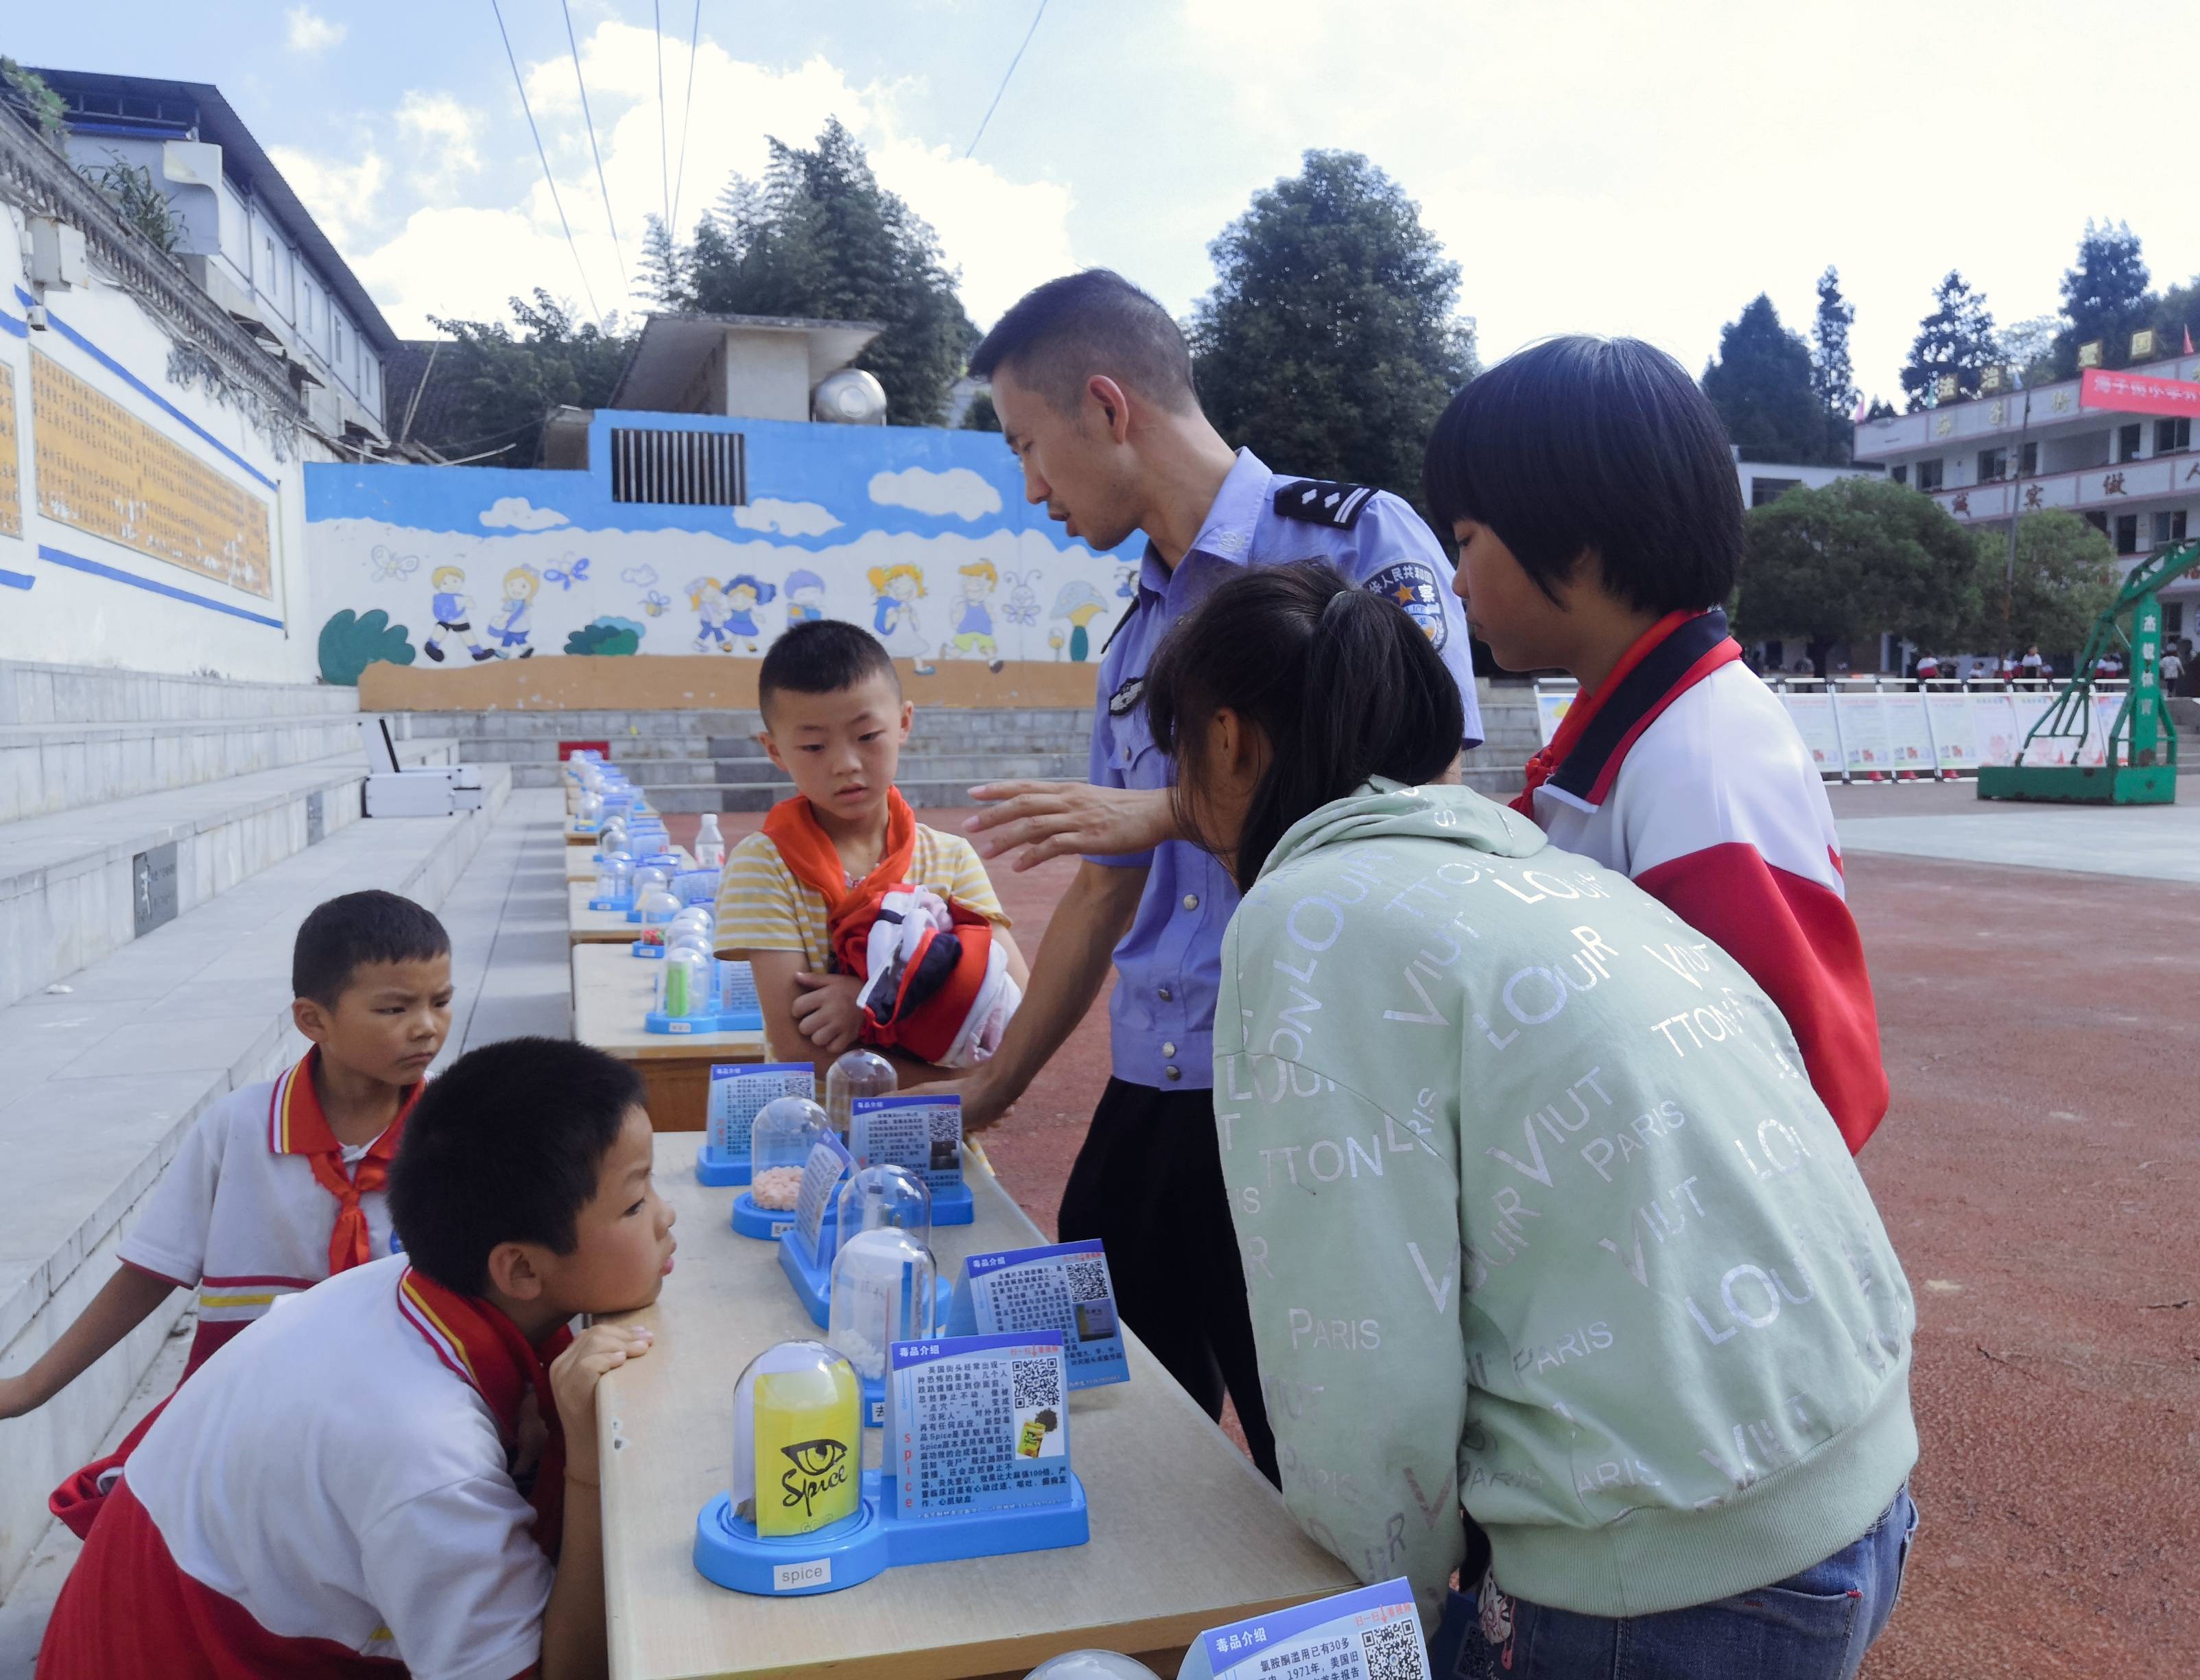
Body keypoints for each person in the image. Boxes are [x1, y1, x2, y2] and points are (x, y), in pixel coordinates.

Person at [1152, 560, 1918, 1676]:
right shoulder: (1554, 879)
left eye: (1173, 752)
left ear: (1228, 740)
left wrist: (1376, 1634)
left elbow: (1358, 1346)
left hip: (1670, 1568)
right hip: (1851, 1482)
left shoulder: (1308, 914)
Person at [946, 270, 1483, 1481]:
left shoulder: (1354, 542)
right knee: (1116, 1430)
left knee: (1326, 1459)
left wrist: (1169, 807)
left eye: (1030, 446)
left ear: (1106, 405)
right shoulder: (1134, 635)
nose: (1031, 487)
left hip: (1307, 1081)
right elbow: (1101, 888)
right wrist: (989, 1089)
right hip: (1157, 1077)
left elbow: (1424, 800)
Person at [38, 1037, 672, 1680]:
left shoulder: (406, 1282)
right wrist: (587, 1469)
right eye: (634, 1202)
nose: (665, 1216)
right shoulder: (427, 1452)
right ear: (521, 1268)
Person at [1423, 336, 1888, 1154]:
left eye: (1465, 539)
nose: (1456, 580)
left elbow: (1812, 1083)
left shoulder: (1699, 763)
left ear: (1569, 540)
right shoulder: (1635, 718)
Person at [1, 890, 453, 1538]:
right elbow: (153, 1271)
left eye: (440, 1001)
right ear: (313, 1020)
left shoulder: (458, 1133)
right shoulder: (238, 1129)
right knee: (148, 1525)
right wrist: (32, 1386)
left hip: (410, 1409)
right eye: (395, 1007)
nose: (426, 1026)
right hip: (249, 1404)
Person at [713, 620, 1028, 1076]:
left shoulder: (949, 857)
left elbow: (1013, 996)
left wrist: (867, 997)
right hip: (817, 1129)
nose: (845, 764)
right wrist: (965, 1091)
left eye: (866, 737)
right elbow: (799, 1047)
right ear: (775, 750)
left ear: (902, 723)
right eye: (813, 745)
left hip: (942, 1133)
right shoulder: (765, 865)